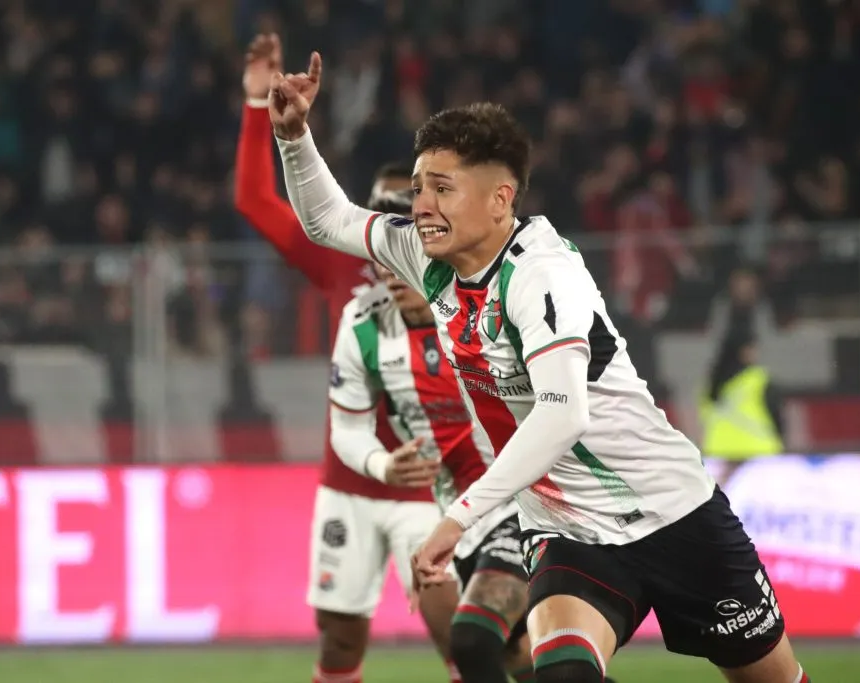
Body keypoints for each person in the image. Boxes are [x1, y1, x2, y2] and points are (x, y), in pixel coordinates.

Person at [268, 52, 812, 683]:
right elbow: (327, 220)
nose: (421, 205)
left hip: (672, 513)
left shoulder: (542, 272)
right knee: (560, 675)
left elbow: (562, 414)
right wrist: (293, 136)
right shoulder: (427, 255)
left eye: (442, 189)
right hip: (565, 530)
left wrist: (457, 518)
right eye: (419, 187)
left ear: (501, 199)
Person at [234, 34, 449, 683]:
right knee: (339, 644)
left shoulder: (455, 275)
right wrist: (254, 105)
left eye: (402, 204)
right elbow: (254, 201)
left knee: (462, 633)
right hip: (348, 485)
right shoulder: (340, 260)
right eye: (378, 206)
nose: (390, 217)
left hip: (433, 487)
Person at [330, 260, 547, 683]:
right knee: (525, 660)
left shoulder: (489, 305)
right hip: (459, 513)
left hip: (523, 500)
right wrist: (383, 464)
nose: (392, 275)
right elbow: (347, 427)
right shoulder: (363, 321)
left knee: (472, 639)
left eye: (401, 260)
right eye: (382, 264)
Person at [701, 331, 785, 487]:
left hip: (720, 450)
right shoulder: (758, 378)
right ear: (744, 350)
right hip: (758, 450)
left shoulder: (711, 384)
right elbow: (776, 414)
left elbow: (705, 415)